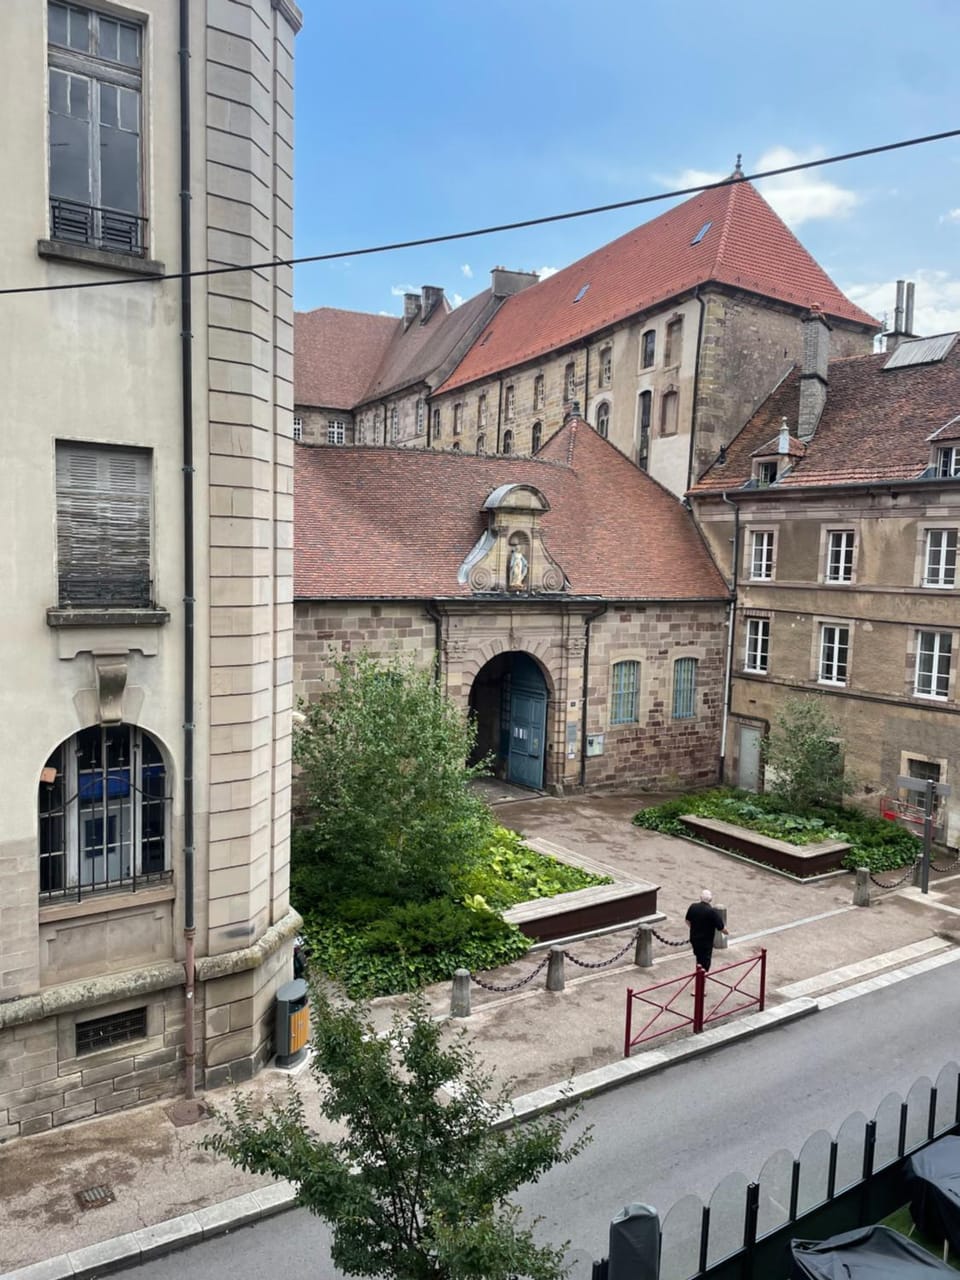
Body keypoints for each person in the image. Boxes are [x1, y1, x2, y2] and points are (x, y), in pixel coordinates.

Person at [685, 889, 728, 971]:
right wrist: (727, 932)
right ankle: (702, 978)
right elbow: (721, 928)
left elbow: (687, 920)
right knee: (705, 961)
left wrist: (694, 928)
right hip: (706, 942)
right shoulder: (712, 912)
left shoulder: (693, 907)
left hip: (694, 939)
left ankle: (698, 973)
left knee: (698, 958)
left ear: (700, 897)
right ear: (710, 900)